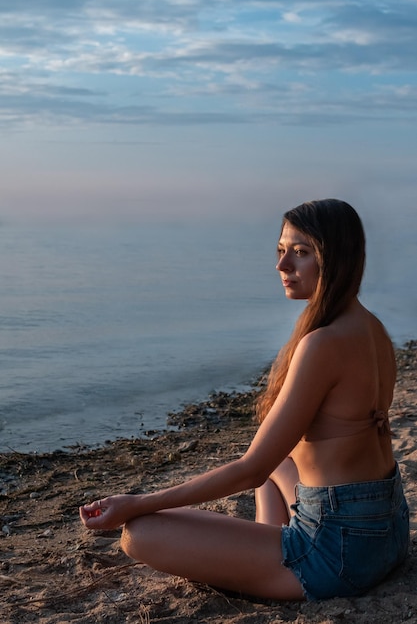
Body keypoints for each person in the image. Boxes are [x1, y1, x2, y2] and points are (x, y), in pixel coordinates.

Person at [79, 199, 409, 601]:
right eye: (281, 251)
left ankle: (270, 560)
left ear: (335, 260)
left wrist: (137, 503)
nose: (282, 266)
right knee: (281, 465)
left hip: (337, 555)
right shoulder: (373, 329)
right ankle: (265, 546)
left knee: (140, 533)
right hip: (387, 529)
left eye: (301, 253)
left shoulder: (323, 344)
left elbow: (249, 470)